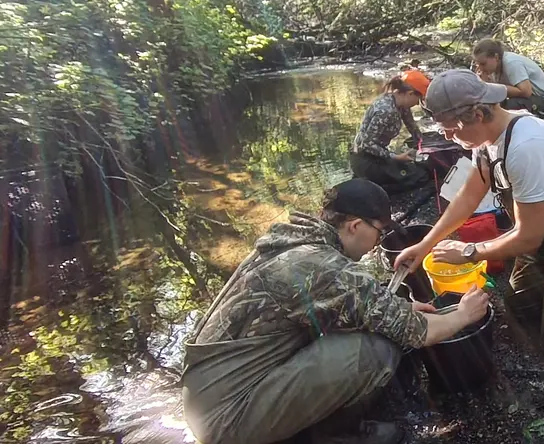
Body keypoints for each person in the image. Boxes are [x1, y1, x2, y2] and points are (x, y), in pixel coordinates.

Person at [181, 179, 490, 444]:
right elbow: (417, 332)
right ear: (355, 225)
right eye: (379, 234)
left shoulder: (293, 240)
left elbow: (335, 306)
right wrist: (464, 314)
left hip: (208, 394)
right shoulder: (325, 267)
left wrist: (398, 307)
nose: (377, 244)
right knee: (376, 350)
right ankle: (335, 434)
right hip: (226, 417)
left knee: (371, 326)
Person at [393, 69, 544, 360]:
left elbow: (528, 237)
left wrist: (469, 252)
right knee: (519, 308)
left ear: (477, 113)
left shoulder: (528, 147)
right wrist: (424, 244)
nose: (448, 137)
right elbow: (468, 197)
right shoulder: (487, 141)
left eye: (450, 129)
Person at [350, 69, 431, 195]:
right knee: (420, 177)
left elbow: (411, 125)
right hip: (365, 160)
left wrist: (423, 144)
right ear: (410, 94)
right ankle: (374, 189)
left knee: (419, 169)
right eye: (418, 99)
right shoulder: (386, 111)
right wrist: (395, 157)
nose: (417, 104)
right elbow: (366, 144)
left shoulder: (400, 104)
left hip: (378, 155)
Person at [471, 38, 544, 119]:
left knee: (505, 108)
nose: (480, 68)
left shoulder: (512, 63)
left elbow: (525, 91)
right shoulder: (493, 68)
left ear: (496, 57)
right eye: (478, 64)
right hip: (529, 100)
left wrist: (492, 86)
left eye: (483, 64)